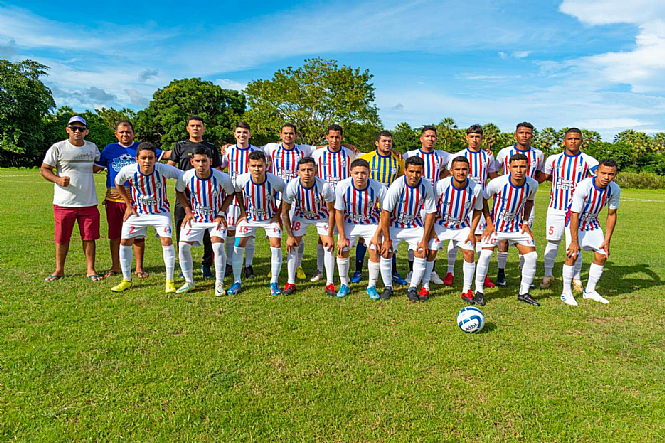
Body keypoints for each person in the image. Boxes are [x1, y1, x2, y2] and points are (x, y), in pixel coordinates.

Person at [97, 120, 171, 279]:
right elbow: (96, 166)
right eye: (122, 132)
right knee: (115, 234)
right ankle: (115, 266)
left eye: (128, 132)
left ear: (133, 133)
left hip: (137, 200)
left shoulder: (141, 148)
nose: (125, 134)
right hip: (114, 199)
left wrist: (188, 148)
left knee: (138, 235)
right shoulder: (110, 149)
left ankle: (139, 268)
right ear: (116, 134)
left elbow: (165, 154)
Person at [110, 143, 183, 293]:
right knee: (125, 241)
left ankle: (169, 281)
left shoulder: (163, 169)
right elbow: (118, 182)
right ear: (137, 159)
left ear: (156, 159)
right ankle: (126, 280)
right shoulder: (128, 170)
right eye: (143, 158)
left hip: (160, 212)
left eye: (150, 158)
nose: (147, 161)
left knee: (166, 240)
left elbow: (183, 176)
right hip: (137, 212)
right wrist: (128, 204)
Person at [40, 115, 104, 282]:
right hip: (64, 203)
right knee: (62, 238)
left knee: (89, 238)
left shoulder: (92, 147)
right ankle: (59, 270)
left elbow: (98, 165)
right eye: (73, 128)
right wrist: (58, 180)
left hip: (88, 202)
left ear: (86, 131)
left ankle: (90, 270)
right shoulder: (58, 147)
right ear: (67, 129)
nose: (77, 131)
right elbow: (44, 169)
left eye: (81, 129)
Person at [474, 153, 539, 306]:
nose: (519, 170)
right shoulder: (497, 183)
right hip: (496, 227)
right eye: (515, 166)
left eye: (522, 166)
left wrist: (525, 222)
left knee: (532, 256)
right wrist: (489, 223)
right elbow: (483, 199)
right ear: (509, 167)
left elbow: (529, 202)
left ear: (527, 168)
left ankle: (524, 292)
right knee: (486, 254)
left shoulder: (533, 184)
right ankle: (478, 291)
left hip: (517, 228)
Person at [539, 128, 598, 291]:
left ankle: (576, 278)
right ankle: (548, 275)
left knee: (575, 244)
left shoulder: (588, 160)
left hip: (576, 212)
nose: (573, 141)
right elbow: (542, 177)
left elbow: (599, 176)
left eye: (576, 139)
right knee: (552, 242)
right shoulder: (553, 159)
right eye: (570, 139)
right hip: (556, 208)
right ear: (564, 141)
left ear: (581, 141)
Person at [372, 156, 437, 302]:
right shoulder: (397, 185)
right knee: (386, 252)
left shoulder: (426, 185)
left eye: (418, 172)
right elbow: (385, 212)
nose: (414, 175)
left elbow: (430, 212)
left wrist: (425, 239)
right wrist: (387, 239)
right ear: (405, 170)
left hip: (414, 224)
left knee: (421, 252)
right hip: (394, 225)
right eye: (411, 171)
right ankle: (388, 287)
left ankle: (413, 288)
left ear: (422, 172)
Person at [421, 156, 484, 302]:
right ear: (451, 171)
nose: (461, 172)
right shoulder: (441, 185)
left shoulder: (476, 188)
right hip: (440, 225)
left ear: (469, 170)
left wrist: (472, 231)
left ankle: (466, 290)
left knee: (469, 252)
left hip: (462, 226)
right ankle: (425, 286)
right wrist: (432, 229)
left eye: (464, 169)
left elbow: (478, 210)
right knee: (432, 251)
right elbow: (431, 208)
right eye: (457, 169)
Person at [174, 147, 235, 296]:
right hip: (196, 218)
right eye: (198, 161)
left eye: (204, 161)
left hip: (215, 219)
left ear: (210, 161)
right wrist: (187, 210)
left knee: (218, 245)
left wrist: (221, 213)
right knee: (183, 246)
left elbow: (231, 194)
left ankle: (219, 283)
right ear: (192, 162)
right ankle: (189, 282)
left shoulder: (222, 177)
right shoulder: (186, 176)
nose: (201, 164)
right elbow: (179, 190)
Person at [444, 125, 499, 288]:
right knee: (455, 237)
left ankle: (483, 273)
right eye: (472, 136)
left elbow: (493, 176)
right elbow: (447, 175)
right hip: (459, 202)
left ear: (482, 139)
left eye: (477, 136)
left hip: (479, 201)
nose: (474, 139)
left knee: (480, 237)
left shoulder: (487, 156)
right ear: (466, 138)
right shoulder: (458, 155)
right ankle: (450, 271)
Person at [168, 115, 222, 280]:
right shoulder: (180, 146)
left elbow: (217, 170)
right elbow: (170, 166)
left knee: (208, 232)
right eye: (192, 125)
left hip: (206, 197)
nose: (196, 128)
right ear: (187, 128)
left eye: (199, 126)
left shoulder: (210, 147)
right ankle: (184, 266)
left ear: (203, 129)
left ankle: (207, 265)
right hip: (184, 195)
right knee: (182, 230)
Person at [560, 159, 620, 305]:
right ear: (596, 172)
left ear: (615, 174)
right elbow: (574, 214)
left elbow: (612, 214)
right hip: (575, 221)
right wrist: (574, 241)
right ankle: (566, 293)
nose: (606, 177)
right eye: (603, 173)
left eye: (610, 174)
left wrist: (607, 240)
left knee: (602, 255)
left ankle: (590, 291)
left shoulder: (614, 189)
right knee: (572, 254)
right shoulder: (584, 186)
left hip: (592, 222)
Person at [227, 151, 286, 296]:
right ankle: (236, 281)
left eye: (260, 166)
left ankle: (274, 282)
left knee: (276, 245)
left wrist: (278, 215)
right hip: (249, 218)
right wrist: (242, 212)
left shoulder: (276, 181)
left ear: (266, 166)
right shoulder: (241, 179)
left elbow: (286, 196)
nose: (257, 169)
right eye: (253, 166)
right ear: (248, 166)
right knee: (238, 244)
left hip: (270, 218)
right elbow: (237, 192)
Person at [493, 122, 545, 286]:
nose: (524, 135)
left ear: (532, 135)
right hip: (505, 202)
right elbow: (493, 170)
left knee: (524, 236)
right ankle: (501, 273)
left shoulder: (538, 154)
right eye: (521, 132)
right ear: (516, 135)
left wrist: (529, 188)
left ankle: (524, 275)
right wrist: (503, 187)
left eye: (528, 133)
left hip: (525, 202)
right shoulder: (504, 152)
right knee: (503, 238)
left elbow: (538, 174)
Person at [352, 130, 406, 285]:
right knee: (364, 238)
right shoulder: (366, 158)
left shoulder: (398, 160)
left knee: (389, 237)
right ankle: (358, 270)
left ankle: (393, 272)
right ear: (377, 143)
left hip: (390, 207)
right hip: (369, 205)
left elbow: (401, 180)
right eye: (384, 141)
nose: (387, 143)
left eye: (389, 141)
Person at [263, 123, 314, 281]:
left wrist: (346, 145)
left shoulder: (303, 149)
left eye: (291, 133)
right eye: (285, 133)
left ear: (296, 135)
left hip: (296, 198)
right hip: (275, 197)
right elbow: (249, 149)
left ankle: (298, 265)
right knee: (274, 234)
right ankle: (275, 266)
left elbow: (322, 147)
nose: (288, 136)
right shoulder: (271, 148)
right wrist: (228, 147)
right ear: (280, 135)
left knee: (297, 233)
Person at [402, 125, 451, 285]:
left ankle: (432, 271)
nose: (430, 139)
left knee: (432, 238)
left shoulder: (442, 155)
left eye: (433, 136)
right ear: (421, 138)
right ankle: (412, 271)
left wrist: (441, 177)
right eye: (427, 136)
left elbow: (460, 158)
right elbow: (399, 161)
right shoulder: (410, 154)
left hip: (433, 203)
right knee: (414, 237)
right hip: (414, 203)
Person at [281, 157, 336, 296]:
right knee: (293, 245)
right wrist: (290, 236)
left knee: (328, 245)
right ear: (298, 172)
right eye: (303, 170)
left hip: (321, 216)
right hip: (302, 215)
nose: (307, 173)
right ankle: (290, 282)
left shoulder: (324, 186)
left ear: (315, 171)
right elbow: (285, 212)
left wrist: (330, 235)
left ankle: (330, 283)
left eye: (310, 169)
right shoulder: (292, 186)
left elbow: (332, 211)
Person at [310, 124, 356, 282]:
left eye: (337, 137)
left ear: (341, 138)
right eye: (331, 137)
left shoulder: (349, 153)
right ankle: (319, 269)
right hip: (324, 201)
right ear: (326, 138)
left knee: (345, 235)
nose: (334, 140)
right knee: (323, 235)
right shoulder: (317, 154)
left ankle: (344, 272)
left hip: (345, 200)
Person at [335, 158, 387, 299]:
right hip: (350, 222)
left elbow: (384, 212)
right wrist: (341, 236)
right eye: (356, 173)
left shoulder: (379, 187)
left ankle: (371, 286)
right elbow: (339, 212)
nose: (360, 176)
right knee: (342, 249)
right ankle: (344, 283)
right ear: (350, 172)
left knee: (375, 250)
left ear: (369, 173)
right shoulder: (342, 186)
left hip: (371, 223)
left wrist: (377, 235)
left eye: (363, 173)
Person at [220, 122, 265, 280]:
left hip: (251, 197)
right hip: (233, 197)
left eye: (245, 132)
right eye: (239, 132)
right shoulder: (229, 151)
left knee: (250, 234)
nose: (242, 135)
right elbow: (221, 168)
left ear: (250, 134)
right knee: (231, 231)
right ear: (234, 134)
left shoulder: (257, 151)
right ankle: (230, 263)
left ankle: (248, 265)